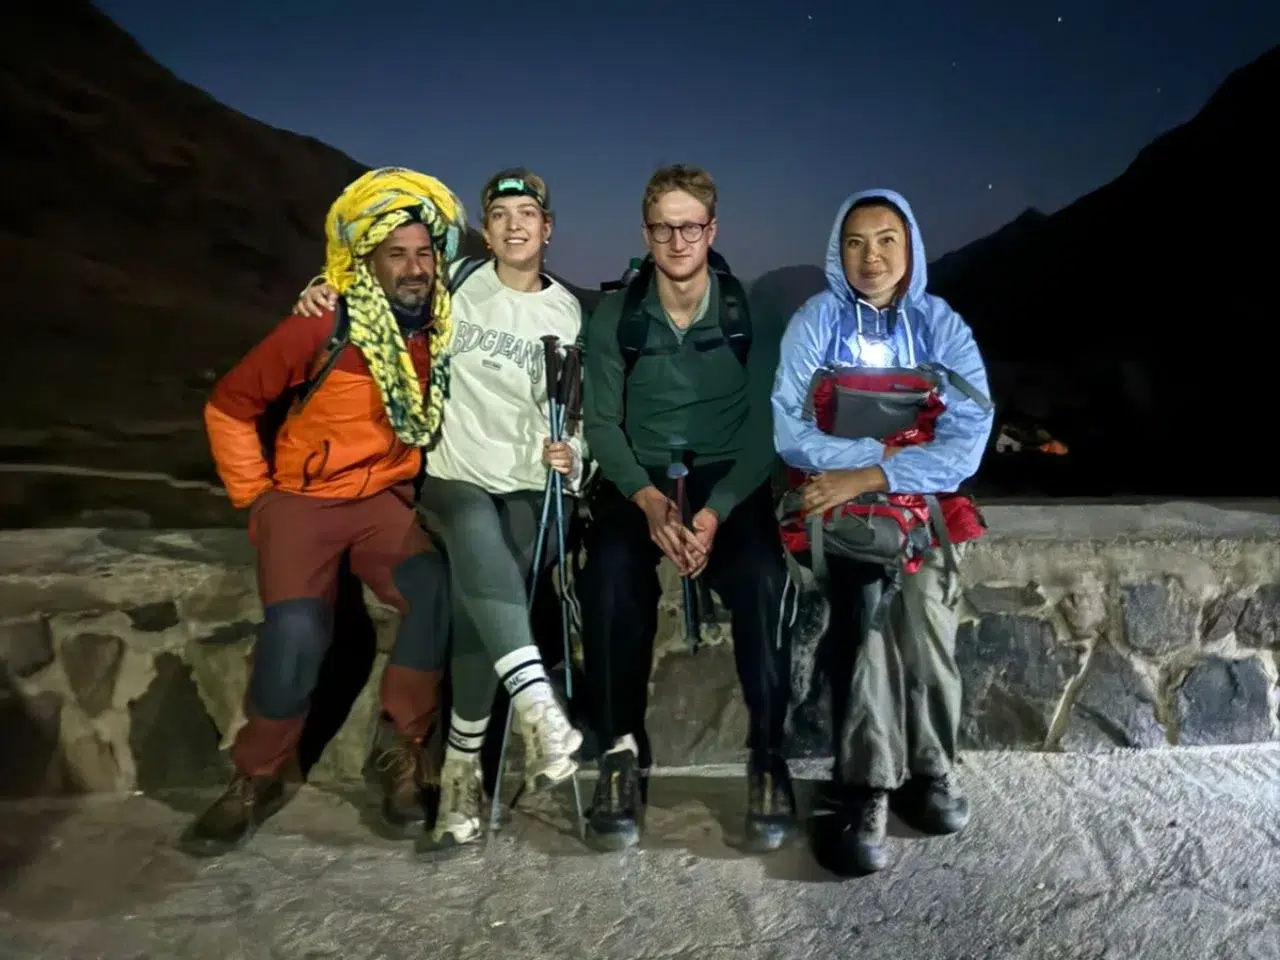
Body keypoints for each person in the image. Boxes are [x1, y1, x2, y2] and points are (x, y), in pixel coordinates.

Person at [293, 168, 586, 854]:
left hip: (531, 487)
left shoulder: (569, 313)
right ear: (486, 228)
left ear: (548, 229)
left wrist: (572, 451)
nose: (514, 225)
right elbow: (376, 282)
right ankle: (538, 705)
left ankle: (460, 773)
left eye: (527, 214)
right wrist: (320, 289)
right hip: (452, 478)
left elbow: (577, 411)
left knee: (487, 603)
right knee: (478, 540)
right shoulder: (455, 279)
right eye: (500, 214)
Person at [181, 167, 468, 856]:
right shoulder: (322, 321)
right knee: (299, 631)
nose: (414, 267)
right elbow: (229, 406)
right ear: (367, 257)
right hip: (303, 502)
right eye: (395, 253)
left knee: (431, 592)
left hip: (381, 501)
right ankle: (255, 776)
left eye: (424, 252)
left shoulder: (441, 326)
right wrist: (256, 500)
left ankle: (402, 752)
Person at [771, 189, 994, 875]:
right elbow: (791, 430)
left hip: (915, 510)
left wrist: (874, 473)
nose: (873, 256)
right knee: (863, 611)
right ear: (838, 252)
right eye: (857, 242)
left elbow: (969, 436)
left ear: (910, 246)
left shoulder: (940, 327)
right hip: (838, 514)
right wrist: (875, 465)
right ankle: (865, 782)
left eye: (887, 240)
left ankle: (931, 769)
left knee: (928, 616)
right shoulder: (816, 324)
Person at [578, 164, 796, 853]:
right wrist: (646, 502)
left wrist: (716, 513)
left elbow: (769, 425)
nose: (678, 240)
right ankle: (619, 754)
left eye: (690, 226)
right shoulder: (616, 315)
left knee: (764, 580)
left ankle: (768, 758)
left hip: (728, 478)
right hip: (639, 480)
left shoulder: (749, 311)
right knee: (609, 578)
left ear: (712, 230)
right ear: (646, 234)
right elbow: (603, 426)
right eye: (664, 228)